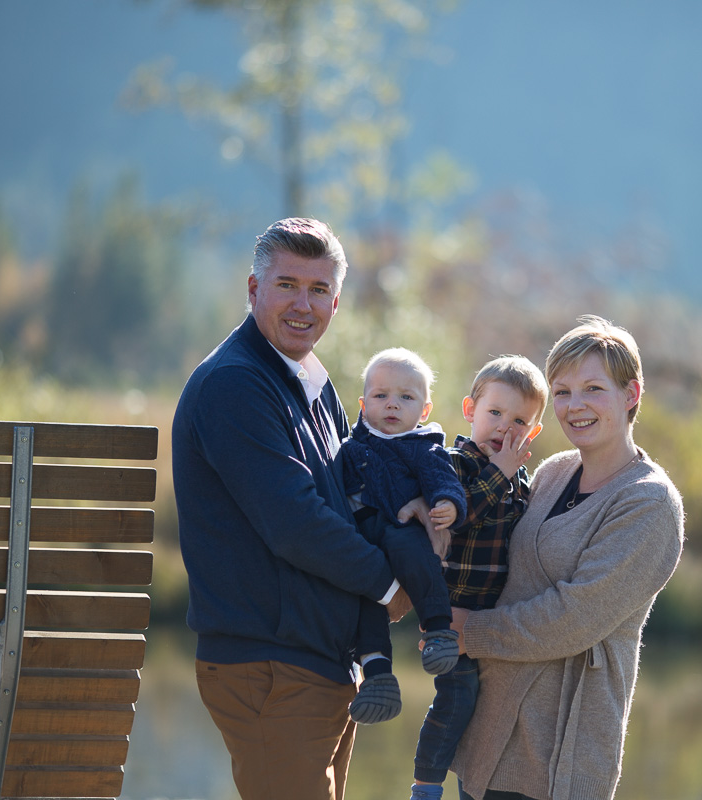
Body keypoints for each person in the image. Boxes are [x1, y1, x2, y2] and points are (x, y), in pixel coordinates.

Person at [171, 217, 417, 800]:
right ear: (254, 289)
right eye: (287, 285)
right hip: (270, 667)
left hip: (320, 663)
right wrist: (391, 586)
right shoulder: (234, 384)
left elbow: (350, 498)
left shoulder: (310, 380)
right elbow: (295, 522)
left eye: (318, 289)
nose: (303, 304)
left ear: (336, 301)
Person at [449, 316, 685, 800]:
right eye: (562, 392)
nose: (575, 406)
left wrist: (469, 631)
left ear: (631, 394)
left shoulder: (648, 502)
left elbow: (574, 619)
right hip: (487, 731)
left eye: (593, 389)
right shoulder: (554, 472)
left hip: (557, 752)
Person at [410, 356, 549, 800]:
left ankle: (472, 781)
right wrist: (499, 473)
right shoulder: (452, 464)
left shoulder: (520, 480)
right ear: (470, 410)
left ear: (533, 432)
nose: (505, 428)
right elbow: (458, 517)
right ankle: (425, 786)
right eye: (495, 413)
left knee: (485, 706)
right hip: (451, 611)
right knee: (457, 696)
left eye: (520, 421)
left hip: (489, 620)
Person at [339, 347, 468, 725]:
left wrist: (447, 504)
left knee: (415, 555)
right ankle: (377, 676)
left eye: (406, 397)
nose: (392, 404)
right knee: (365, 599)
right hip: (361, 538)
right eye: (381, 396)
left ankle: (439, 629)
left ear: (424, 411)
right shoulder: (349, 447)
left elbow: (444, 480)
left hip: (399, 526)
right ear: (363, 405)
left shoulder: (423, 447)